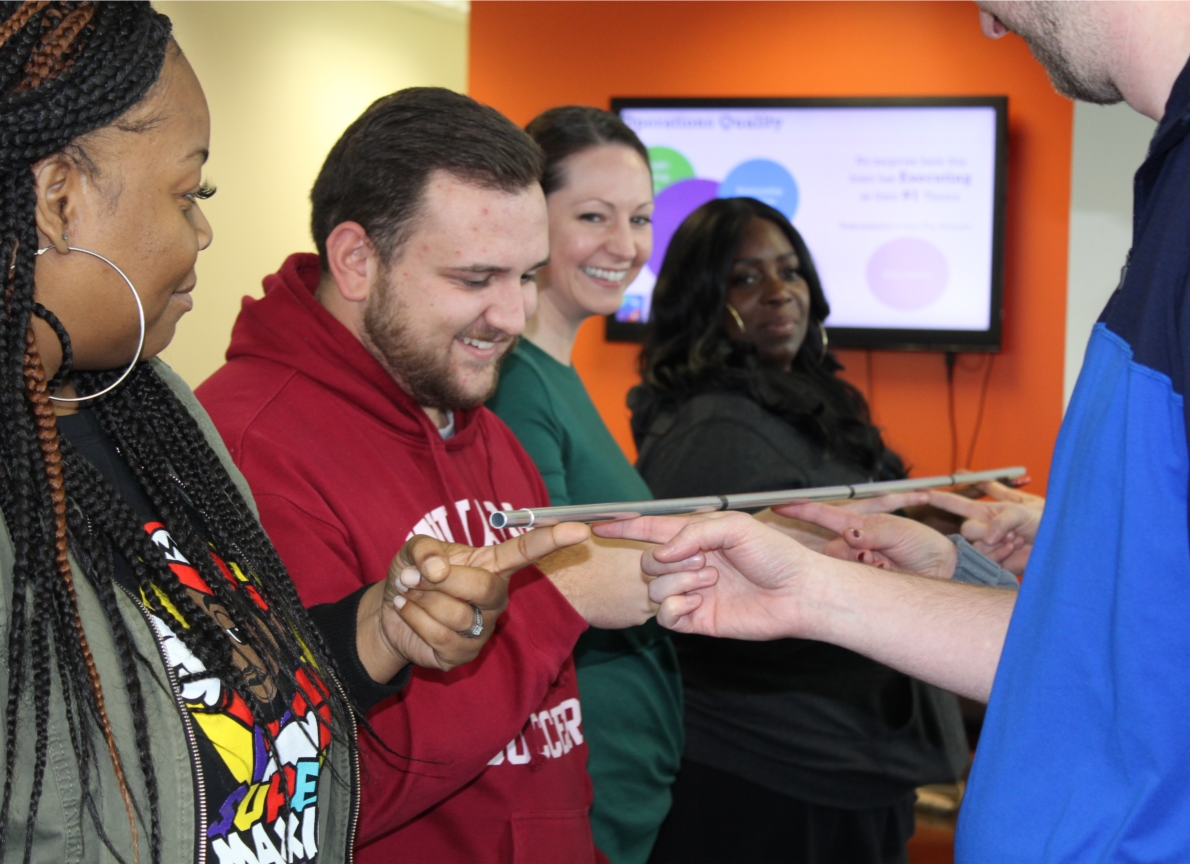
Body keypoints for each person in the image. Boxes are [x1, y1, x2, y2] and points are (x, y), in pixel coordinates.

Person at [0, 7, 583, 863]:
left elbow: (220, 713)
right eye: (188, 193)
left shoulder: (148, 409)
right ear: (58, 198)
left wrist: (377, 632)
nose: (202, 232)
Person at [597, 2, 1190, 860]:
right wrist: (850, 584)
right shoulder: (1181, 180)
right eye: (746, 278)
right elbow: (1110, 644)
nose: (991, 28)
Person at [196, 87, 657, 863]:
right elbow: (301, 792)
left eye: (526, 277)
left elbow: (546, 746)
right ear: (355, 261)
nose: (512, 316)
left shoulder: (478, 420)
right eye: (477, 280)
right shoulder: (246, 448)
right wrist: (562, 596)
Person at [628, 196, 969, 864]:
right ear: (703, 301)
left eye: (791, 271)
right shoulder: (713, 427)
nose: (781, 293)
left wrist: (915, 530)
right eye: (746, 278)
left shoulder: (803, 400)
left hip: (845, 763)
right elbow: (708, 602)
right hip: (770, 772)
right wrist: (862, 569)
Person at [485, 105, 682, 864]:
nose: (625, 245)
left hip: (622, 790)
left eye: (639, 218)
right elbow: (549, 580)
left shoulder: (559, 376)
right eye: (593, 216)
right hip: (578, 793)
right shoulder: (520, 386)